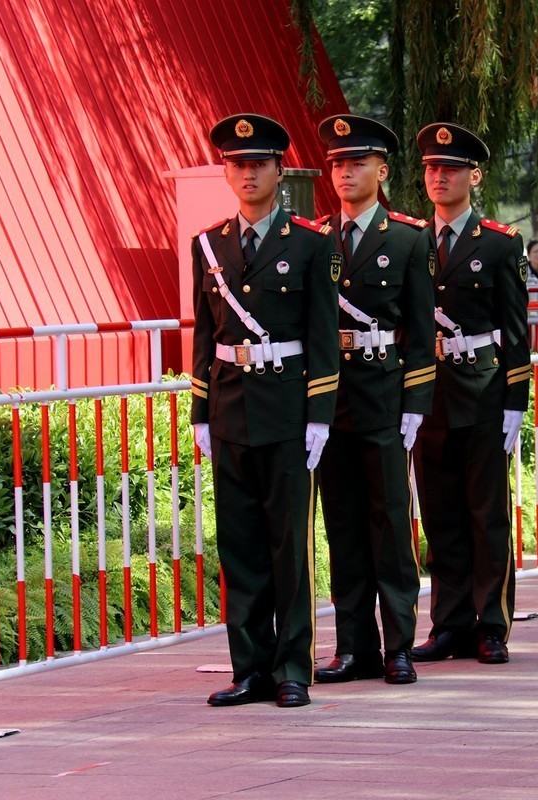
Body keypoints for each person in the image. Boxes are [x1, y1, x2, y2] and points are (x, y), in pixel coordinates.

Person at [191, 114, 340, 709]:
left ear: (281, 170)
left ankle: (292, 669)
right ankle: (248, 666)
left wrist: (320, 413)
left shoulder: (309, 242)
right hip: (230, 408)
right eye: (236, 164)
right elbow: (204, 334)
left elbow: (324, 335)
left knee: (289, 546)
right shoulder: (208, 244)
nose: (247, 173)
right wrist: (200, 411)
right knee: (240, 545)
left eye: (257, 164)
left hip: (287, 407)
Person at [312, 115, 434, 687]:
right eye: (337, 163)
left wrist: (416, 402)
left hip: (384, 395)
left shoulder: (408, 238)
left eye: (356, 162)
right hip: (330, 400)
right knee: (342, 526)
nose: (345, 172)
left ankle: (398, 646)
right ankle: (353, 645)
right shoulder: (313, 239)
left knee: (389, 524)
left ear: (381, 171)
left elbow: (420, 329)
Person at [411, 122, 531, 665]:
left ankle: (491, 625)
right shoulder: (410, 241)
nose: (440, 177)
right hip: (429, 395)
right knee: (439, 515)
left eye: (451, 169)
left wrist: (515, 400)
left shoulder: (501, 245)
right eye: (433, 169)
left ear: (473, 177)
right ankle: (448, 622)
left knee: (487, 514)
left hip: (482, 390)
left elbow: (517, 329)